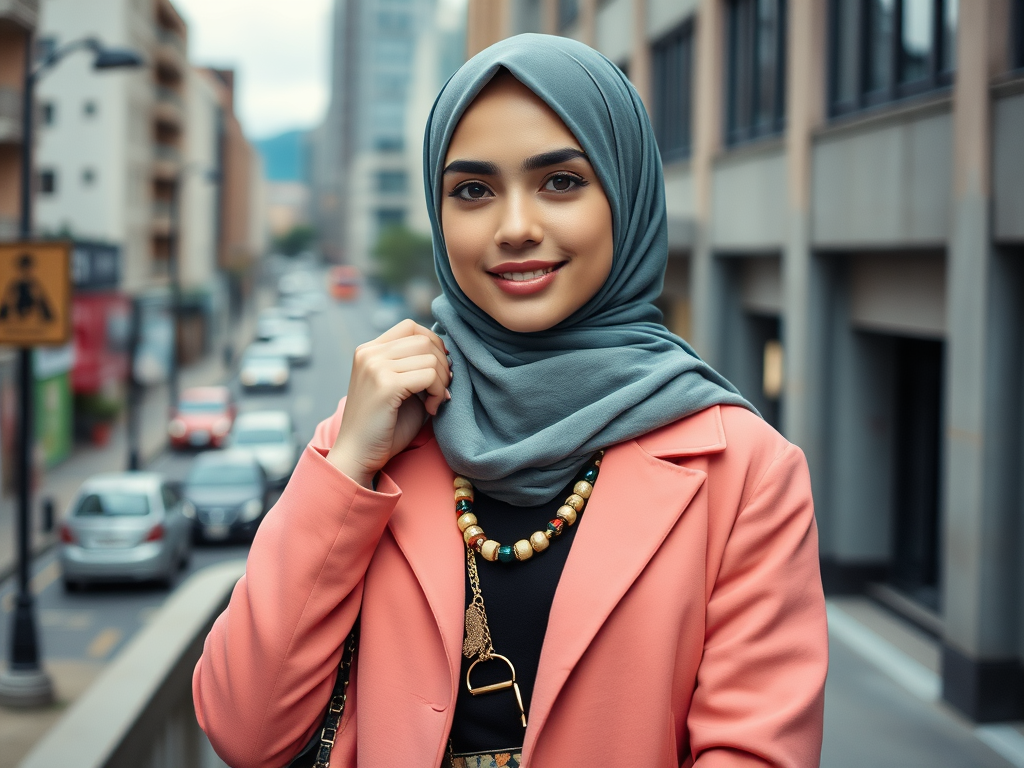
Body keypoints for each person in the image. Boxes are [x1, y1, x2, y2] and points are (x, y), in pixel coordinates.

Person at [193, 34, 827, 768]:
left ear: (626, 194)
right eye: (473, 190)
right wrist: (346, 468)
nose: (515, 227)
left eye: (560, 181)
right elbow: (243, 728)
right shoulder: (379, 431)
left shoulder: (746, 473)